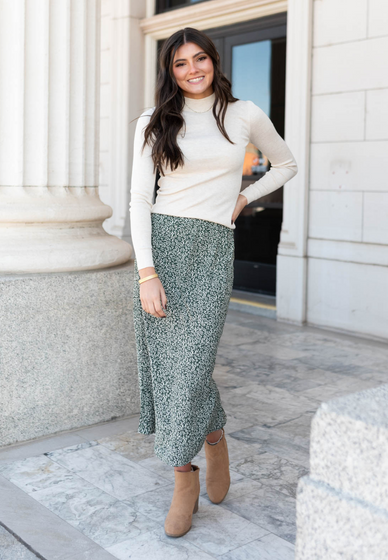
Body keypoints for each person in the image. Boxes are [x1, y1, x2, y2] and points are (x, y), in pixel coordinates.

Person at [129, 27, 298, 538]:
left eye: (199, 59)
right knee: (170, 369)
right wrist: (146, 273)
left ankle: (213, 440)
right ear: (171, 72)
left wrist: (244, 199)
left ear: (213, 61)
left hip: (211, 250)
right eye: (181, 64)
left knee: (193, 361)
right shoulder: (152, 122)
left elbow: (286, 164)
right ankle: (187, 474)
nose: (192, 70)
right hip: (163, 247)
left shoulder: (243, 113)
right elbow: (140, 199)